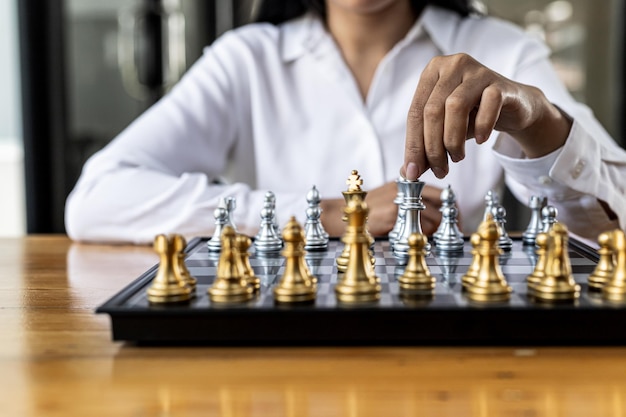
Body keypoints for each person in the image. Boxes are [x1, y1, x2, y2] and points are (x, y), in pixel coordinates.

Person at [65, 0, 626, 245]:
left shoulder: (500, 49)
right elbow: (96, 198)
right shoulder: (247, 59)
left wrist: (536, 118)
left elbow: (615, 221)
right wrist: (334, 215)